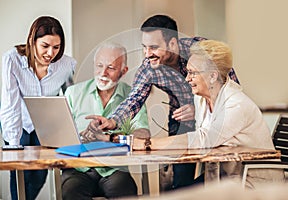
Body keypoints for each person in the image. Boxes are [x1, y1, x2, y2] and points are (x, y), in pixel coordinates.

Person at [86, 14, 240, 189]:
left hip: (213, 116)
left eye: (153, 47)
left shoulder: (200, 52)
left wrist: (199, 108)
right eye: (144, 47)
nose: (147, 54)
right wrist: (112, 121)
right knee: (181, 182)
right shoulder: (149, 68)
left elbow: (231, 89)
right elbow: (134, 99)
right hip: (181, 121)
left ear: (172, 44)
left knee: (218, 174)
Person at [133, 40, 284, 188]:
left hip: (254, 181)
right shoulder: (200, 99)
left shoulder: (236, 104)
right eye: (187, 72)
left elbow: (204, 139)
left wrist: (148, 144)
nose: (187, 79)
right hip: (224, 177)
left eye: (192, 73)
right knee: (178, 191)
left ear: (212, 76)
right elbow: (201, 141)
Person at [0, 16, 76, 200]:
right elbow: (10, 103)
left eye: (56, 47)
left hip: (46, 127)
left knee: (39, 175)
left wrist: (70, 138)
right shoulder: (12, 59)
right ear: (32, 41)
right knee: (20, 175)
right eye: (45, 46)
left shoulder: (67, 65)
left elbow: (71, 102)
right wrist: (13, 144)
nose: (50, 53)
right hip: (19, 122)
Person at [61, 42, 150, 199]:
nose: (103, 73)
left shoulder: (133, 96)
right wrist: (80, 138)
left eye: (111, 68)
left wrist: (113, 137)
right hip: (79, 169)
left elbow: (143, 134)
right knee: (70, 190)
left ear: (123, 71)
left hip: (114, 169)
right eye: (99, 66)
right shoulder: (73, 93)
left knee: (125, 189)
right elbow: (60, 134)